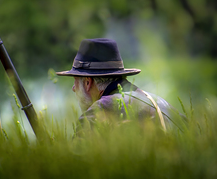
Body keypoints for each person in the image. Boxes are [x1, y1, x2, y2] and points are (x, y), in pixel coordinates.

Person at [56, 38, 184, 135]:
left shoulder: (100, 111)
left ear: (87, 83)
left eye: (75, 81)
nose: (73, 88)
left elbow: (76, 161)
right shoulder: (163, 103)